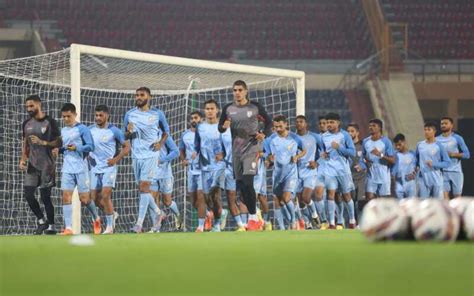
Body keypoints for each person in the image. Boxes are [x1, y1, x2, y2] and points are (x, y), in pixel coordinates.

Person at [218, 80, 272, 231]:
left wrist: (263, 134)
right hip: (236, 153)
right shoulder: (228, 109)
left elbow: (268, 123)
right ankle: (256, 215)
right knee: (242, 188)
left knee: (248, 182)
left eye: (240, 90)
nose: (237, 92)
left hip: (252, 150)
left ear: (246, 91)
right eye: (235, 90)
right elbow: (221, 128)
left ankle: (253, 218)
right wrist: (224, 126)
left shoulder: (255, 107)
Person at [124, 87, 170, 233]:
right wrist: (128, 132)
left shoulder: (157, 114)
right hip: (136, 155)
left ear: (149, 97)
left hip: (151, 155)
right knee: (142, 190)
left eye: (141, 95)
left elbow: (166, 132)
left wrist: (160, 143)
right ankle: (158, 213)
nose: (138, 97)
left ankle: (139, 224)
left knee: (144, 187)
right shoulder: (129, 114)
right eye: (136, 95)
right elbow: (125, 136)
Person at [20, 94, 61, 234]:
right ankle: (41, 220)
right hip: (32, 164)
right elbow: (25, 143)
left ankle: (52, 226)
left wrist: (44, 142)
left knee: (45, 196)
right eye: (27, 107)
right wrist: (23, 158)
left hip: (47, 166)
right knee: (28, 194)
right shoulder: (26, 123)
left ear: (39, 104)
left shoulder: (50, 122)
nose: (29, 109)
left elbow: (59, 142)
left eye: (31, 106)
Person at [59, 103, 99, 235]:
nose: (65, 119)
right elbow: (64, 148)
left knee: (85, 199)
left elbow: (91, 146)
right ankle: (68, 228)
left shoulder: (83, 129)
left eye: (68, 116)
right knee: (66, 197)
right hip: (67, 168)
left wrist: (77, 148)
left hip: (81, 168)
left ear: (75, 115)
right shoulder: (63, 131)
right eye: (63, 117)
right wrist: (58, 150)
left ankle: (96, 218)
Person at [89, 105, 130, 234]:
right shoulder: (90, 130)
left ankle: (109, 227)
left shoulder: (114, 130)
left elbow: (127, 147)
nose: (98, 118)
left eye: (101, 115)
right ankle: (113, 214)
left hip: (109, 168)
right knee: (94, 199)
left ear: (107, 116)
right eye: (96, 115)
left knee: (105, 195)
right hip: (94, 168)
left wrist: (115, 160)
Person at [267, 115, 306, 230]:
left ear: (286, 124)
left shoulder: (294, 138)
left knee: (286, 197)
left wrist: (297, 156)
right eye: (276, 127)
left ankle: (294, 221)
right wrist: (269, 158)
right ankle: (286, 224)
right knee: (279, 200)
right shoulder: (271, 139)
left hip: (291, 173)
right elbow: (266, 153)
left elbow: (304, 150)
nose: (278, 129)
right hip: (278, 174)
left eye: (280, 126)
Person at [320, 113, 356, 229]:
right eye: (327, 122)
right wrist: (323, 154)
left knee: (346, 196)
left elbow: (352, 153)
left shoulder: (345, 135)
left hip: (343, 170)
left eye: (331, 122)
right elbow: (324, 150)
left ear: (338, 123)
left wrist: (339, 147)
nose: (329, 125)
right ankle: (332, 223)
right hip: (330, 169)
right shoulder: (324, 136)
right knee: (331, 195)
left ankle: (352, 220)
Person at [195, 99, 226, 232]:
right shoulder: (200, 127)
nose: (209, 111)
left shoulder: (223, 126)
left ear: (217, 110)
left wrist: (224, 155)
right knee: (205, 197)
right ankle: (220, 213)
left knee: (216, 195)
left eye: (212, 109)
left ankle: (217, 224)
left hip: (220, 166)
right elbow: (197, 145)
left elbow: (230, 144)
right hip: (204, 166)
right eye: (207, 109)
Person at [179, 111, 206, 232]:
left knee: (201, 197)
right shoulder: (185, 135)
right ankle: (209, 214)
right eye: (192, 118)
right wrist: (183, 159)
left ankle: (200, 226)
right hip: (191, 171)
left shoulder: (206, 134)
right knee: (193, 200)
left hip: (204, 170)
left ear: (201, 119)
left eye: (196, 118)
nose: (193, 120)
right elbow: (181, 150)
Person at [295, 115, 322, 229]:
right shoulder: (292, 138)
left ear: (306, 124)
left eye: (301, 122)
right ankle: (307, 222)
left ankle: (315, 216)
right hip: (296, 172)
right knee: (300, 201)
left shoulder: (314, 137)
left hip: (310, 171)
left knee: (306, 198)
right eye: (297, 122)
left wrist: (317, 163)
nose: (298, 124)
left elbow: (325, 153)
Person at [150, 135, 180, 232]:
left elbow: (176, 152)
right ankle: (156, 227)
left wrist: (162, 160)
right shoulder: (146, 134)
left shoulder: (164, 136)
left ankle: (177, 215)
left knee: (167, 202)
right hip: (151, 173)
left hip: (165, 174)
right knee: (151, 200)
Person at [436, 117, 470, 199]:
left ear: (451, 125)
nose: (443, 125)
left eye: (445, 123)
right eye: (442, 124)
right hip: (442, 172)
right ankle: (446, 212)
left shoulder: (457, 138)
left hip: (456, 171)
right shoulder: (436, 139)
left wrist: (452, 155)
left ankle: (457, 212)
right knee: (444, 197)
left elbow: (467, 155)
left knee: (457, 197)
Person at [362, 119, 395, 199]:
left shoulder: (386, 141)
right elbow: (363, 157)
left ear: (380, 128)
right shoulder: (365, 141)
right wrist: (365, 162)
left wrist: (381, 155)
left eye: (373, 126)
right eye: (370, 126)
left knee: (382, 202)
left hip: (383, 175)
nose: (371, 127)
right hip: (371, 175)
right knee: (370, 200)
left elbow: (393, 160)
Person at [416, 122, 450, 199]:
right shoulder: (419, 145)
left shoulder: (439, 146)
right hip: (423, 179)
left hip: (436, 179)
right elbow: (416, 160)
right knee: (423, 204)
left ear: (434, 131)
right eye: (425, 130)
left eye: (429, 130)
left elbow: (447, 163)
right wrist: (415, 169)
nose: (426, 132)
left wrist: (434, 164)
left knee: (437, 205)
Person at [347, 123, 366, 221]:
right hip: (350, 178)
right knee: (352, 202)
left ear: (357, 133)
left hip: (362, 178)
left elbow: (369, 159)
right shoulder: (346, 147)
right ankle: (355, 223)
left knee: (361, 202)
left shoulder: (363, 145)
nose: (350, 133)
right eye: (348, 131)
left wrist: (362, 165)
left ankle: (363, 223)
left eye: (352, 131)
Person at [392, 133, 416, 199]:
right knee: (399, 206)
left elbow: (417, 166)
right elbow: (392, 170)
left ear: (404, 142)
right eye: (396, 145)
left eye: (399, 144)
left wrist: (414, 174)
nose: (398, 147)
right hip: (398, 183)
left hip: (410, 183)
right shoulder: (394, 155)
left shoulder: (412, 154)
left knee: (411, 205)